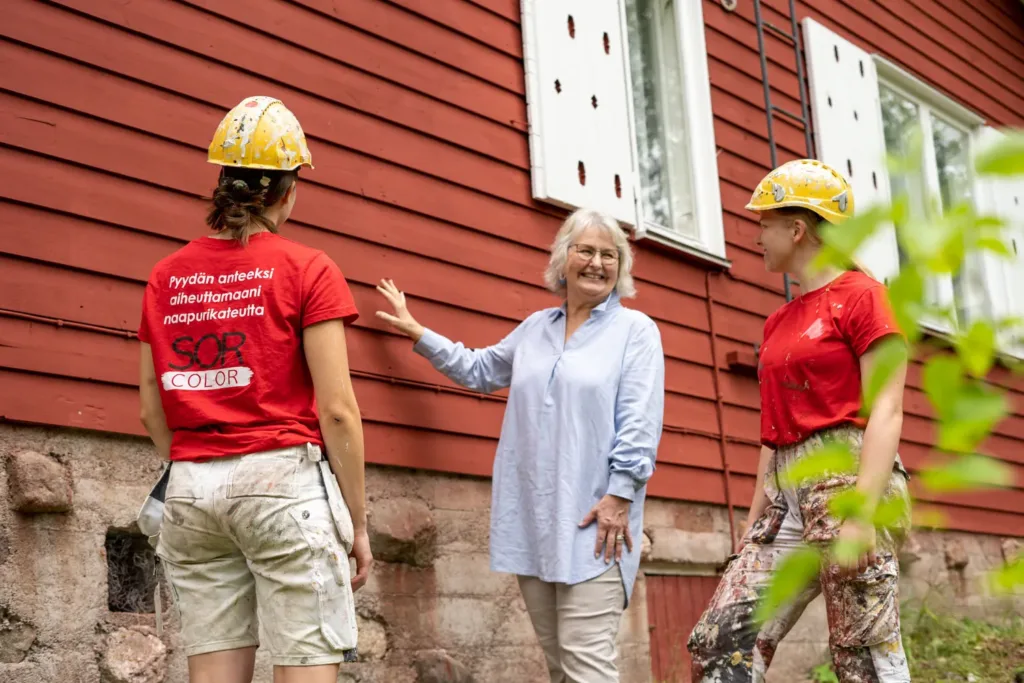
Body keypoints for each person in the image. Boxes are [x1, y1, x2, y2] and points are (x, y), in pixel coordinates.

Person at [136, 95, 372, 683]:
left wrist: (196, 468)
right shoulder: (308, 268)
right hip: (282, 485)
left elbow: (150, 409)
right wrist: (358, 523)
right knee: (305, 663)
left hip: (190, 488)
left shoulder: (167, 275)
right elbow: (338, 411)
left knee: (213, 668)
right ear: (288, 189)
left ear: (223, 184)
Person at [375, 208, 665, 683]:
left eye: (609, 255)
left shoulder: (635, 333)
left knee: (587, 665)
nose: (597, 263)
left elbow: (640, 422)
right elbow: (480, 370)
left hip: (598, 520)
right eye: (586, 251)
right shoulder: (536, 328)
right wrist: (417, 332)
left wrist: (620, 494)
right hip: (534, 520)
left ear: (622, 266)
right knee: (560, 667)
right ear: (563, 260)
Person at [687, 159, 913, 682]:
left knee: (864, 659)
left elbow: (887, 409)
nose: (756, 236)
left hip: (850, 481)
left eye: (764, 223)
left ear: (797, 227)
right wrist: (751, 522)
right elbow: (775, 430)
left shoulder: (866, 297)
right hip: (786, 494)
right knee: (721, 643)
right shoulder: (779, 321)